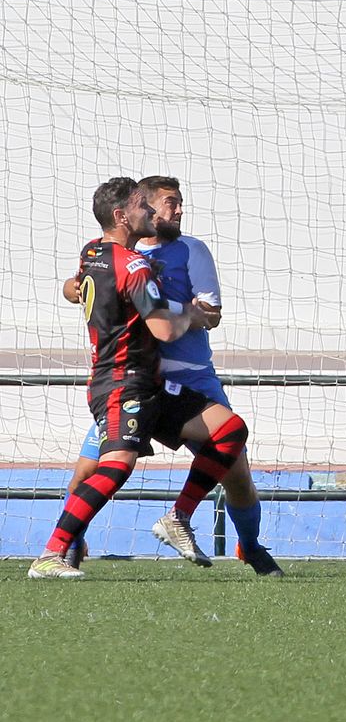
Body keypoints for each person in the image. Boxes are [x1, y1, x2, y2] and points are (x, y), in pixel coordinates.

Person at [59, 176, 280, 575]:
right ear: (140, 208)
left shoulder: (191, 250)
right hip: (135, 380)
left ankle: (249, 546)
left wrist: (170, 307)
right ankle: (65, 549)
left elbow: (210, 313)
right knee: (87, 472)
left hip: (192, 378)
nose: (177, 210)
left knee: (238, 473)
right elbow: (77, 286)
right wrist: (78, 289)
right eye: (169, 203)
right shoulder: (118, 252)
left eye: (179, 203)